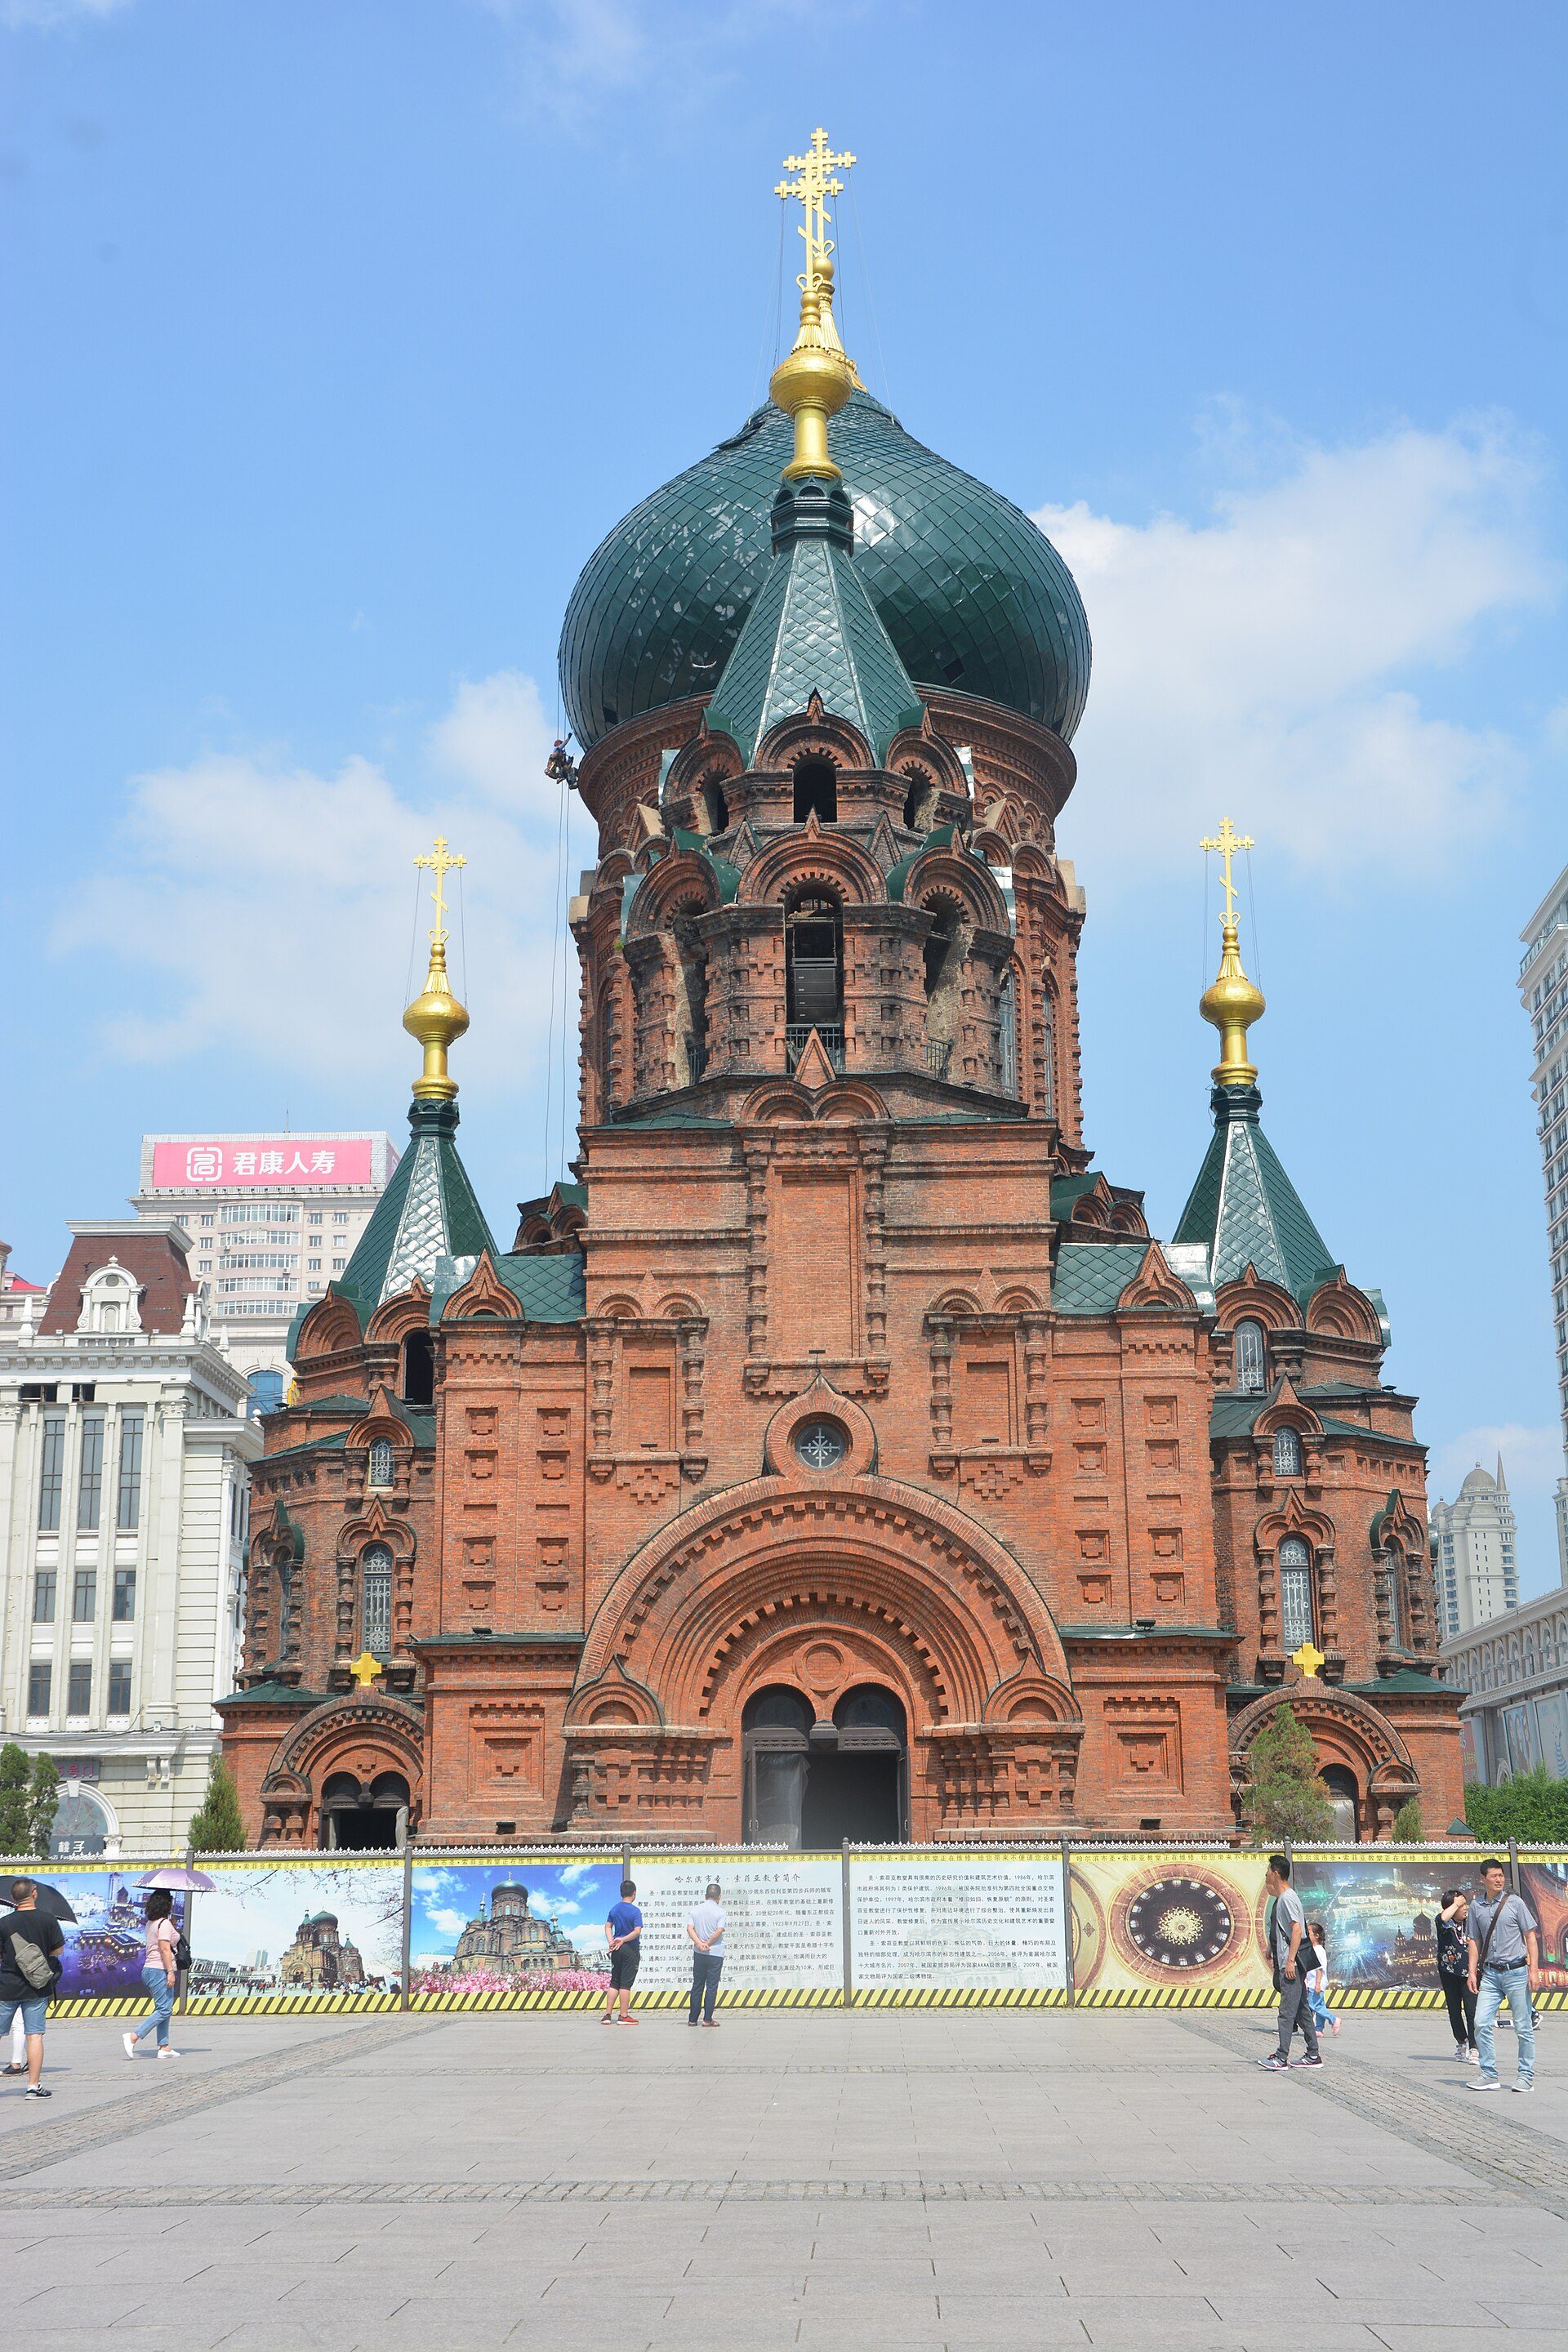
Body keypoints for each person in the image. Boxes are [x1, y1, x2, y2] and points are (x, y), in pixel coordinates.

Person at [1467, 1857, 1539, 2093]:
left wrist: (1534, 1970)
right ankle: (1489, 2074)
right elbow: (1474, 1941)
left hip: (1516, 1972)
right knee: (1480, 2022)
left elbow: (1530, 1937)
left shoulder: (1515, 1903)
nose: (1499, 1880)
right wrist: (1472, 1972)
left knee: (1523, 2026)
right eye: (1494, 1876)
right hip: (1490, 1975)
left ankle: (1526, 2076)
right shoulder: (1476, 1906)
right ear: (1483, 1879)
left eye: (1501, 1876)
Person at [0, 1875, 65, 2098]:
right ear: (34, 1893)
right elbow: (58, 1951)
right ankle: (33, 2086)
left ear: (12, 1899)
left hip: (7, 1986)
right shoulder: (48, 1920)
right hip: (37, 1986)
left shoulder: (4, 1923)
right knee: (34, 2035)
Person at [1258, 1854, 1321, 2072]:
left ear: (1276, 1874)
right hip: (1287, 1960)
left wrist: (1290, 1961)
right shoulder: (1285, 1898)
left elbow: (1296, 1929)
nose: (1266, 1874)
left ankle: (1281, 2057)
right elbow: (1285, 1930)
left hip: (1290, 1964)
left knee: (1286, 2012)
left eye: (1268, 1871)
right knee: (1302, 2009)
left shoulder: (1287, 1898)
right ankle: (1313, 2054)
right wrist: (1270, 1948)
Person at [123, 1890, 180, 2060]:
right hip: (159, 1970)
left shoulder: (152, 1923)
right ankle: (133, 2036)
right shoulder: (164, 1924)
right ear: (166, 1904)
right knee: (164, 2009)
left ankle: (164, 2047)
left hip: (151, 1969)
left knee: (164, 2009)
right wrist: (170, 1972)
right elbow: (164, 1949)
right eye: (170, 1900)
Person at [1437, 1890, 1478, 2063]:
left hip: (1469, 1973)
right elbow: (1443, 1918)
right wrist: (1455, 1904)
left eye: (1464, 1904)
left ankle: (1475, 2047)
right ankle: (1461, 2041)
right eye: (1461, 1905)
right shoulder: (1444, 1924)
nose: (1464, 1908)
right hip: (1449, 1972)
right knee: (1454, 2010)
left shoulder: (1472, 1923)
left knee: (1471, 2011)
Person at [686, 1880, 725, 2029]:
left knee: (697, 1985)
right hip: (715, 1953)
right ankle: (707, 2019)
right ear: (719, 1897)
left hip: (699, 1953)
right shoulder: (721, 1912)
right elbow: (719, 1930)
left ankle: (692, 2019)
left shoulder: (695, 1910)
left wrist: (699, 1944)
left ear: (705, 1895)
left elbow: (690, 1928)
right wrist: (707, 1944)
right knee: (711, 1987)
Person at [604, 1878, 643, 2026]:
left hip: (616, 1950)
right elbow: (637, 1931)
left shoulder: (614, 1909)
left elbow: (607, 1926)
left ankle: (607, 2015)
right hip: (629, 1948)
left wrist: (612, 1941)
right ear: (634, 1893)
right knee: (625, 1984)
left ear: (621, 1893)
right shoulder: (635, 1911)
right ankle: (623, 2016)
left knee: (615, 1981)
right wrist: (624, 1940)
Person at [1303, 1918, 1339, 2040]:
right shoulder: (1314, 1949)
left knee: (1314, 2005)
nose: (1307, 1935)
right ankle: (1319, 2029)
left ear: (1316, 1936)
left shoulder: (1318, 1950)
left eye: (1309, 1933)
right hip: (1314, 1983)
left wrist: (1317, 1984)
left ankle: (1333, 2020)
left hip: (1316, 1983)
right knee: (1320, 2005)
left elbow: (1319, 1969)